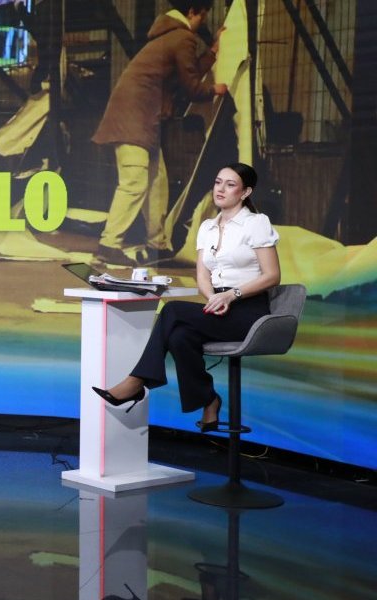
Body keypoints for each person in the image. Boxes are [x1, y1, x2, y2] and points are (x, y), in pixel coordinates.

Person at [92, 163, 280, 431]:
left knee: (172, 310)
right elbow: (202, 275)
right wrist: (213, 297)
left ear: (245, 192)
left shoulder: (256, 223)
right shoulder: (207, 227)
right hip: (219, 304)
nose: (220, 189)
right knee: (180, 338)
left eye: (230, 184)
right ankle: (209, 400)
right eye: (218, 182)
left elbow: (272, 276)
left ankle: (137, 381)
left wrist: (231, 295)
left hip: (248, 310)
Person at [91, 0, 228, 267]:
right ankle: (108, 246)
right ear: (192, 12)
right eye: (202, 17)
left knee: (156, 182)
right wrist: (215, 89)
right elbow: (191, 86)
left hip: (140, 117)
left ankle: (158, 244)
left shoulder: (168, 36)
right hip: (135, 119)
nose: (202, 24)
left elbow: (186, 72)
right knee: (134, 182)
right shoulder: (183, 38)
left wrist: (211, 53)